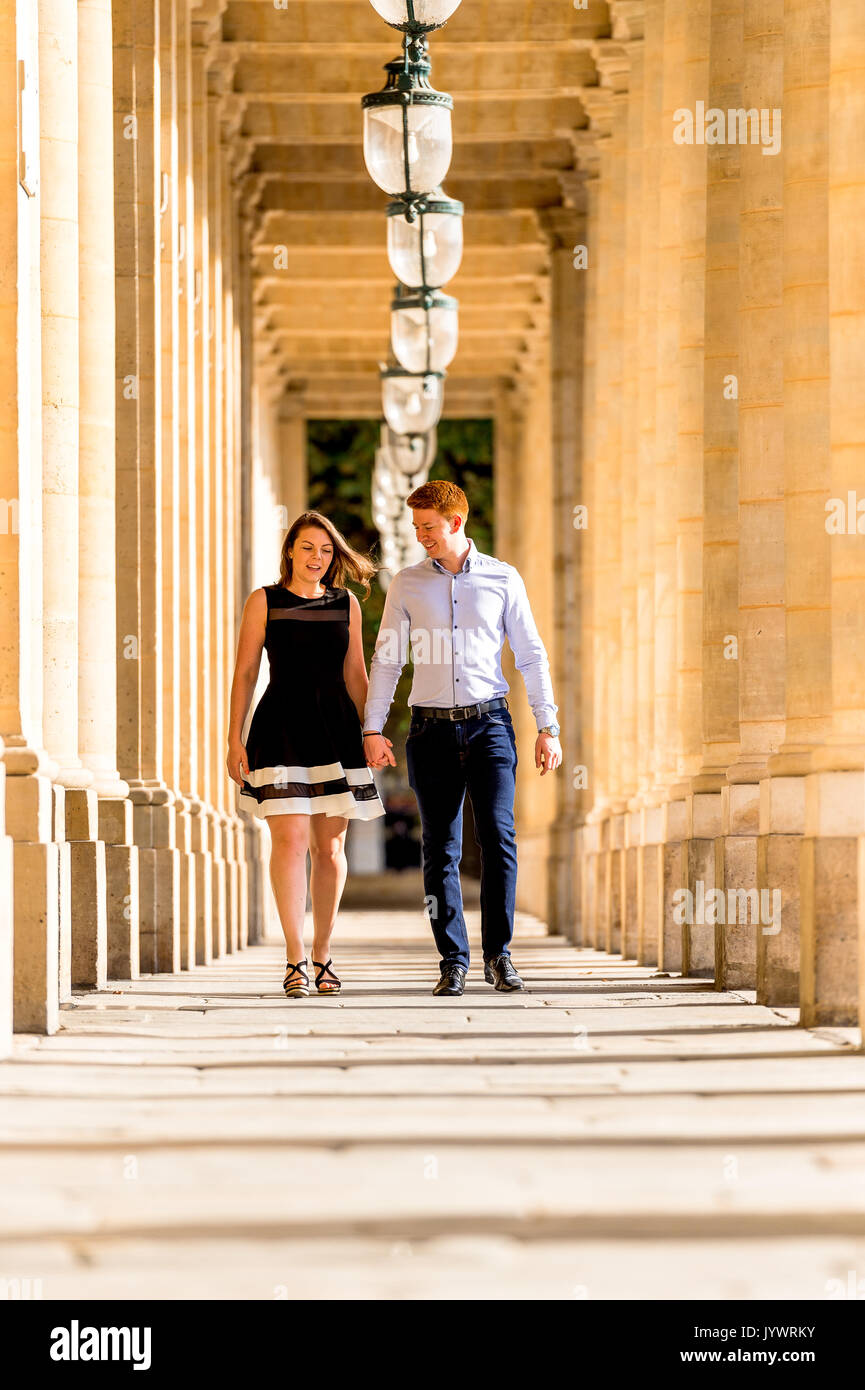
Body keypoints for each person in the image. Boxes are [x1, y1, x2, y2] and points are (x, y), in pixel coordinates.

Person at [362, 481, 561, 997]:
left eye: (428, 527)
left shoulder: (502, 578)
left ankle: (500, 956)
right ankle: (453, 960)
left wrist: (548, 725)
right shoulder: (407, 584)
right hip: (429, 729)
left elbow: (531, 655)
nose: (420, 536)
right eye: (416, 527)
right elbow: (387, 659)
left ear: (456, 523)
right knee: (441, 848)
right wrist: (372, 727)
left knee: (499, 840)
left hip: (490, 723)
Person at [227, 512, 385, 999]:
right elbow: (247, 672)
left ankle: (323, 954)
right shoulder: (265, 601)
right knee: (290, 842)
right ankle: (294, 958)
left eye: (326, 550)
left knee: (330, 849)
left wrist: (372, 731)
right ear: (290, 550)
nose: (317, 557)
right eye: (308, 548)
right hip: (280, 728)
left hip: (337, 732)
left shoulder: (347, 606)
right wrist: (234, 737)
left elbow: (357, 674)